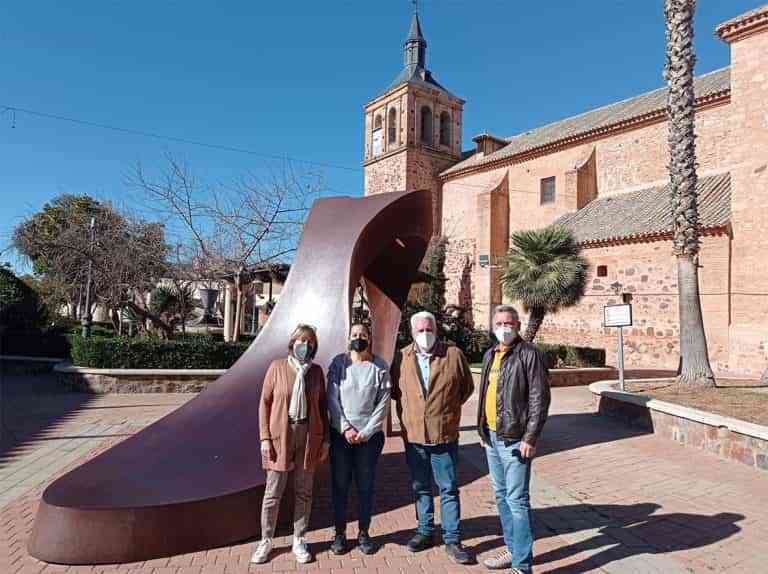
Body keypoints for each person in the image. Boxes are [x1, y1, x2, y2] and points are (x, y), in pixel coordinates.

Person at [390, 310, 475, 564]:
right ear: (412, 332)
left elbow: (466, 388)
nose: (425, 334)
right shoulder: (401, 358)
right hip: (414, 436)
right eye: (420, 330)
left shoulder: (453, 355)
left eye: (429, 329)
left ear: (436, 330)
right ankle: (425, 532)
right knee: (420, 487)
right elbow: (397, 392)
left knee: (448, 489)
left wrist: (445, 412)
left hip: (443, 436)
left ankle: (452, 538)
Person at [477, 305, 551, 574]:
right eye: (499, 323)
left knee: (517, 500)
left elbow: (539, 398)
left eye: (509, 323)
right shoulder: (490, 355)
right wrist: (482, 430)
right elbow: (486, 392)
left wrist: (530, 437)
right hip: (492, 439)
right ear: (492, 326)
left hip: (515, 439)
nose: (504, 327)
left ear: (518, 325)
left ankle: (522, 565)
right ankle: (512, 549)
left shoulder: (529, 354)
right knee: (501, 496)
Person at [251, 324, 329, 565]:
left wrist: (325, 440)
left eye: (309, 342)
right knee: (273, 492)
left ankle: (299, 538)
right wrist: (264, 437)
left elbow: (323, 408)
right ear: (292, 342)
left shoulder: (316, 372)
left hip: (308, 435)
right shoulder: (276, 367)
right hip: (280, 436)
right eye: (300, 340)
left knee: (304, 491)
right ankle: (266, 540)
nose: (304, 345)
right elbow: (264, 404)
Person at [326, 322, 390, 555]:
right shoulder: (338, 364)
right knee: (340, 485)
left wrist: (367, 431)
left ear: (369, 338)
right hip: (341, 436)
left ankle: (364, 532)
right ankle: (340, 534)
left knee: (365, 486)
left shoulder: (379, 366)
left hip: (368, 439)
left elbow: (383, 403)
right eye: (354, 334)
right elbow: (332, 398)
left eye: (362, 334)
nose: (358, 337)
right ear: (348, 338)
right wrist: (345, 428)